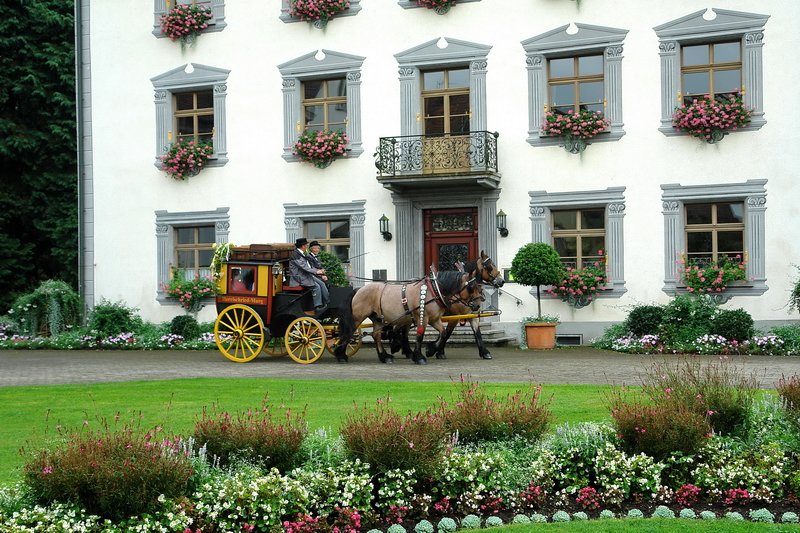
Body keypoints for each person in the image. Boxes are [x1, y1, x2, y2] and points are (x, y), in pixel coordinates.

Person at [287, 237, 327, 312]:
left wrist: (319, 271)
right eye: (306, 245)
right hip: (299, 278)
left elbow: (309, 267)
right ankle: (317, 306)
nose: (307, 246)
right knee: (316, 287)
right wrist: (317, 272)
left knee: (322, 284)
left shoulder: (300, 253)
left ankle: (326, 302)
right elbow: (304, 267)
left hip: (305, 275)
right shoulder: (296, 255)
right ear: (303, 246)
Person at [307, 240, 330, 305]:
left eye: (318, 248)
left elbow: (319, 268)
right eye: (315, 248)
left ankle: (325, 301)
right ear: (311, 249)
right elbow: (312, 269)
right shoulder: (309, 257)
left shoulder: (317, 257)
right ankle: (327, 302)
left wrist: (323, 272)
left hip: (318, 275)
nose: (317, 250)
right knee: (322, 284)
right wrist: (321, 275)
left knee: (328, 283)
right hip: (313, 276)